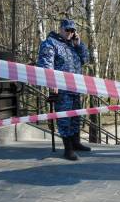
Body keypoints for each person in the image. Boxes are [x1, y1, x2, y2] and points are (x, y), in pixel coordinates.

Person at [37, 19, 91, 161]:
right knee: (64, 118)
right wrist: (51, 83)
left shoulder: (73, 45)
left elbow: (86, 59)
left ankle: (76, 142)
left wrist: (78, 44)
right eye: (67, 30)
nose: (70, 33)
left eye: (72, 30)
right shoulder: (50, 43)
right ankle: (68, 149)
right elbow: (46, 65)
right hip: (61, 89)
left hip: (76, 88)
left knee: (75, 117)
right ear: (60, 28)